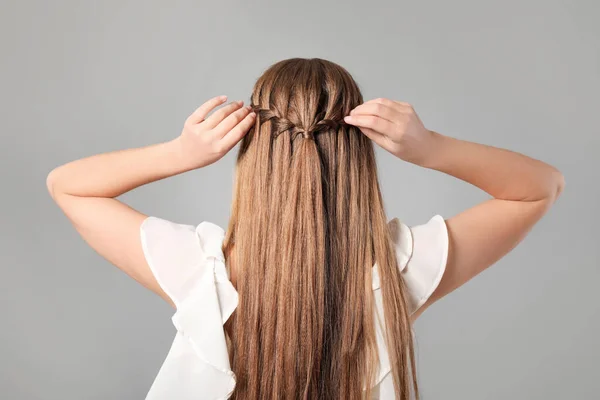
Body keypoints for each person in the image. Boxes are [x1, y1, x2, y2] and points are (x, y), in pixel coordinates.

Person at [46, 57, 565, 400]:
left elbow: (68, 185)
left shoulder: (199, 271)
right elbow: (539, 186)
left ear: (254, 150)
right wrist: (431, 147)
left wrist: (179, 153)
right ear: (357, 151)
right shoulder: (397, 268)